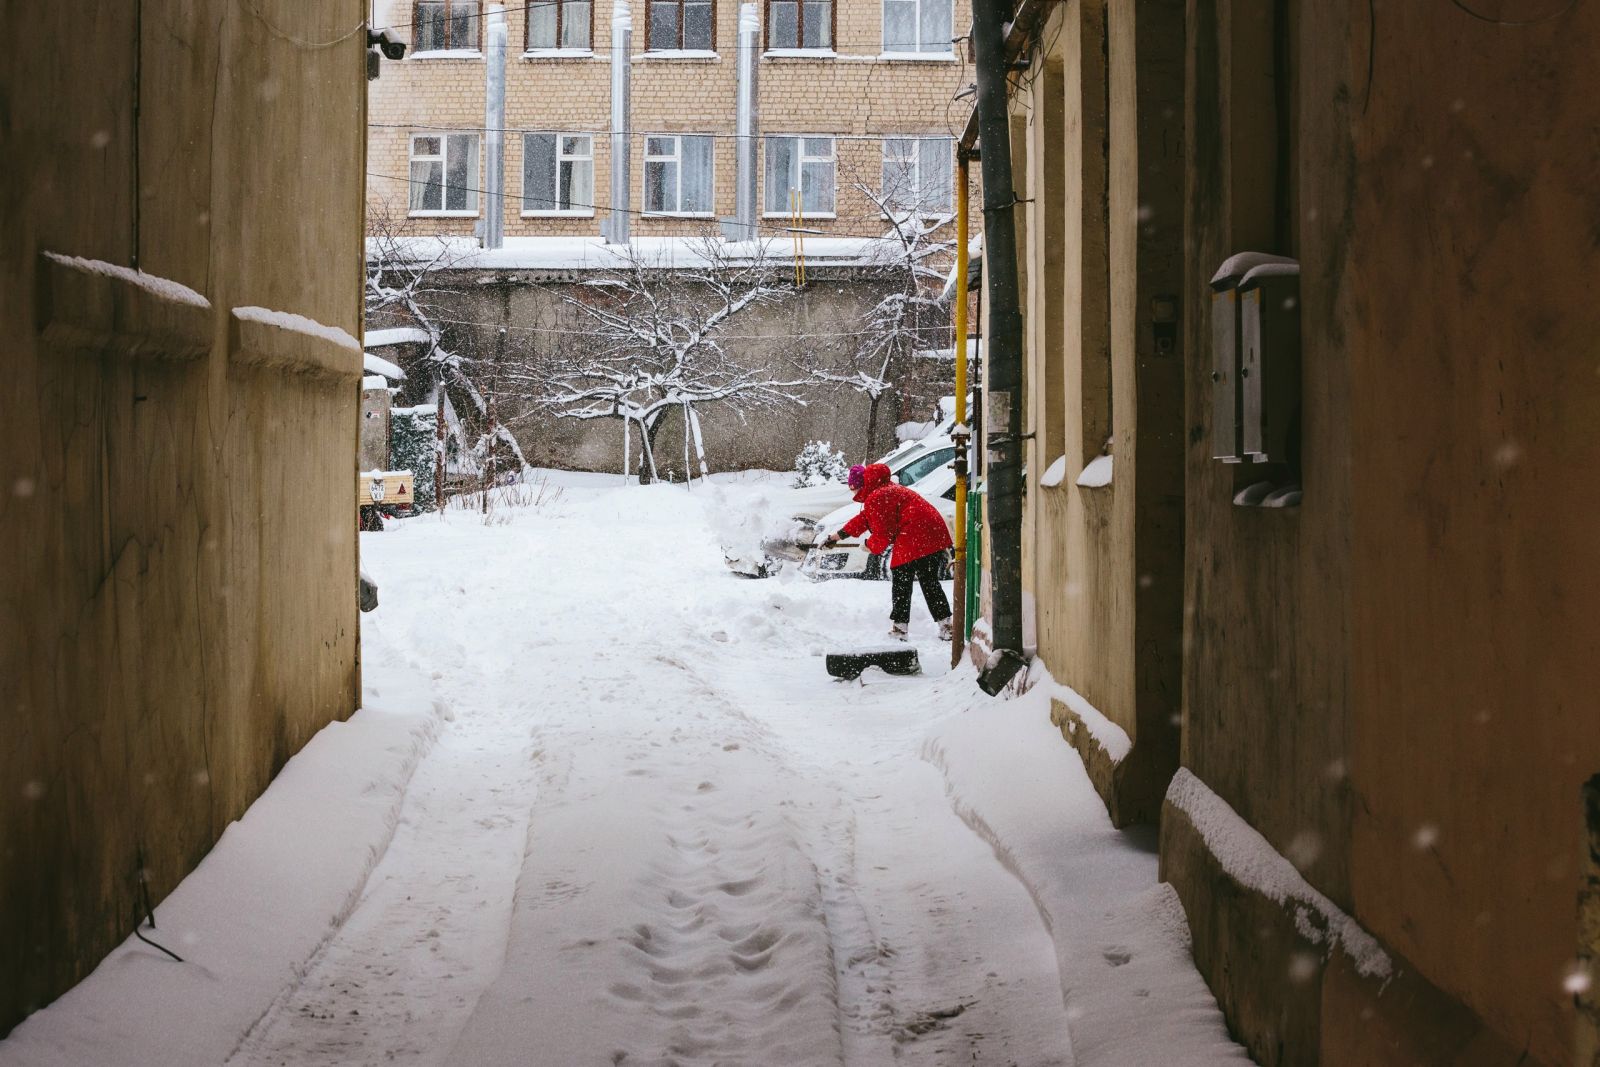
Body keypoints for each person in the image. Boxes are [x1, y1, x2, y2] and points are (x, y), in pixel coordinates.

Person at [823, 463, 954, 640]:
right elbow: (865, 519)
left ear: (860, 485)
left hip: (914, 535)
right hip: (932, 533)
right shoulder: (886, 490)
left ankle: (900, 630)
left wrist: (869, 545)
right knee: (929, 581)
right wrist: (836, 537)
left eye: (852, 488)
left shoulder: (877, 496)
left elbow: (884, 532)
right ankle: (946, 626)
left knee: (901, 581)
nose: (852, 493)